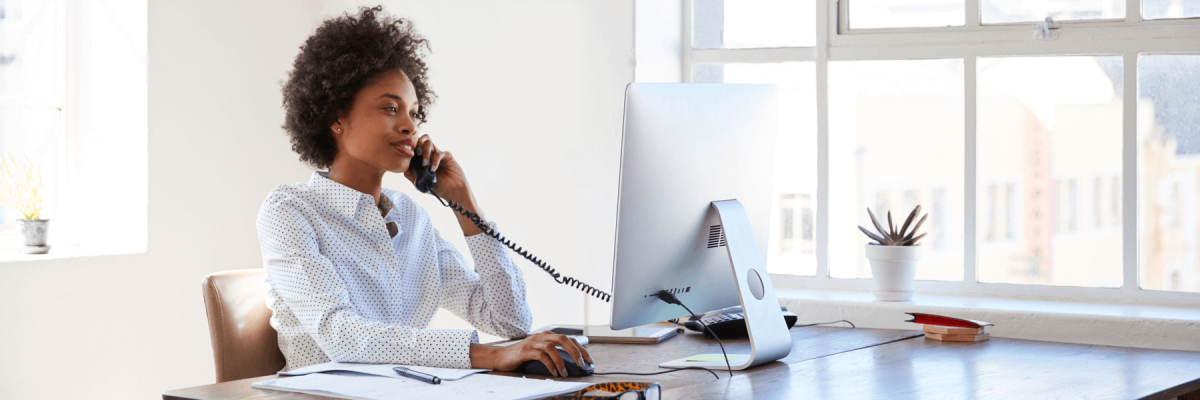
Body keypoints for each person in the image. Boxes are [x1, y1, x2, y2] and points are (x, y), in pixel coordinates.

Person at [257, 6, 590, 377]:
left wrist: (465, 205)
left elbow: (511, 322)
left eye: (414, 113)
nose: (408, 126)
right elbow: (342, 337)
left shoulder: (409, 217)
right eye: (390, 108)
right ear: (336, 117)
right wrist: (487, 355)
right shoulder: (289, 211)